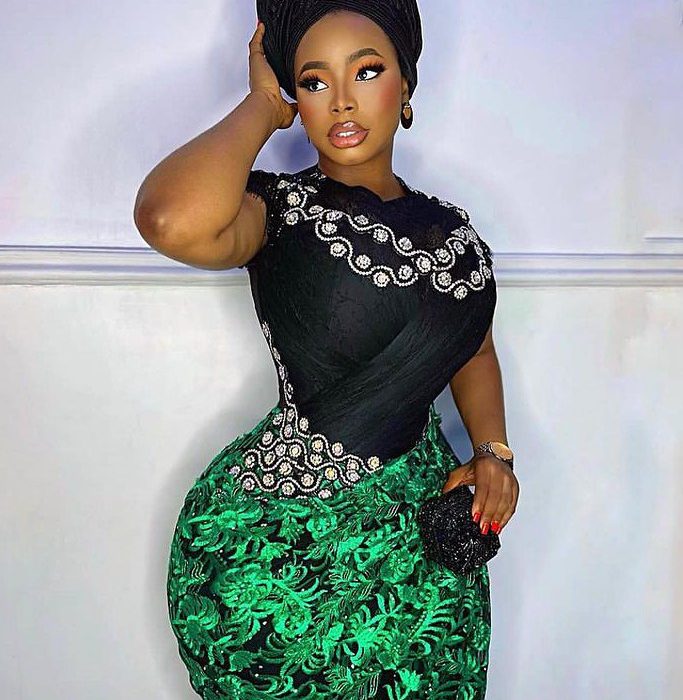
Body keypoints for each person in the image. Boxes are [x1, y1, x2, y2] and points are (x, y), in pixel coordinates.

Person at [134, 2, 519, 697]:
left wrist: (492, 451)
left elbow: (474, 352)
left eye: (365, 71)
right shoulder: (276, 212)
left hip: (417, 548)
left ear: (405, 84)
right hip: (276, 548)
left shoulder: (457, 234)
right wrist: (262, 106)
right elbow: (168, 219)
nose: (341, 99)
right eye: (313, 81)